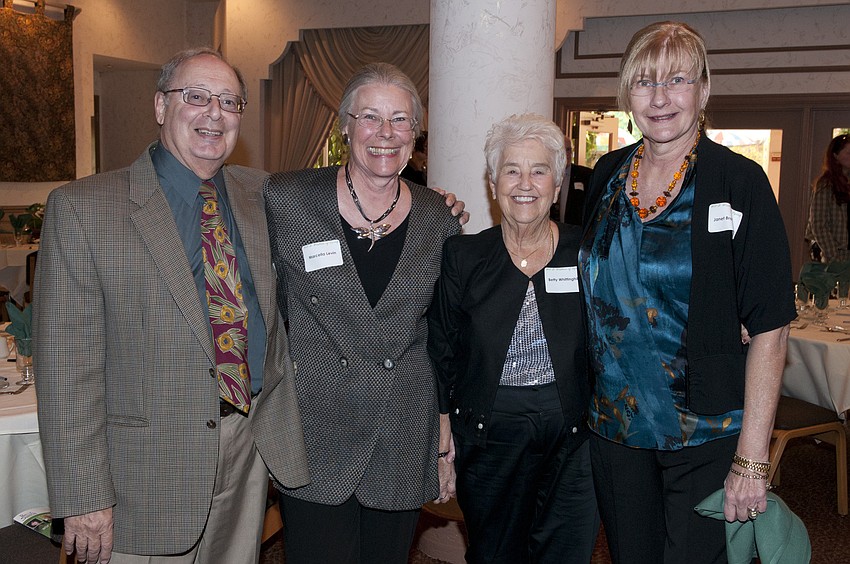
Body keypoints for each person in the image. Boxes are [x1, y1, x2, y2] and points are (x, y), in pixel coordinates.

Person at [33, 48, 311, 564]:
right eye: (197, 97)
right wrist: (85, 498)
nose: (215, 113)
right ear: (161, 106)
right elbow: (65, 370)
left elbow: (347, 207)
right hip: (143, 473)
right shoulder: (85, 209)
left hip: (245, 451)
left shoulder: (264, 193)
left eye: (230, 102)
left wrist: (428, 207)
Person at [579, 21, 796, 563]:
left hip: (706, 431)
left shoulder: (737, 182)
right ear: (628, 93)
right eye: (645, 82)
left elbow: (771, 327)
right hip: (616, 428)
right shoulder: (605, 175)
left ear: (703, 89)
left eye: (676, 79)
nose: (660, 97)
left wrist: (751, 459)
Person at [263, 62, 462, 564]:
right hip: (315, 429)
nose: (385, 133)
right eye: (370, 117)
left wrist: (442, 439)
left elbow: (443, 338)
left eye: (400, 120)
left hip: (401, 428)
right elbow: (263, 308)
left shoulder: (439, 219)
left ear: (415, 134)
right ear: (345, 125)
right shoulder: (288, 199)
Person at [428, 113, 599, 564]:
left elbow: (630, 316)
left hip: (574, 433)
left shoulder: (585, 251)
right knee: (496, 553)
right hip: (491, 430)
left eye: (539, 170)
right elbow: (441, 347)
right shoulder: (464, 255)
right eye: (511, 170)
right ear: (492, 182)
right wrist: (442, 429)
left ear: (558, 183)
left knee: (566, 551)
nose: (526, 183)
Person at [806, 133, 850, 263]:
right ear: (835, 156)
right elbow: (818, 224)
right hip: (835, 255)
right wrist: (834, 256)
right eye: (848, 153)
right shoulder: (825, 185)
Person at [550, 135, 593, 226]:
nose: (567, 154)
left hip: (576, 233)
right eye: (563, 150)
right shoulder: (546, 174)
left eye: (569, 150)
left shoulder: (586, 175)